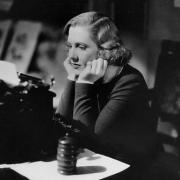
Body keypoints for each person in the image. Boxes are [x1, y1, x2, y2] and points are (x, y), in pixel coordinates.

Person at [56, 11, 160, 179]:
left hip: (133, 169)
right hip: (100, 162)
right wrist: (72, 77)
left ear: (105, 51)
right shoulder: (90, 74)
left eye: (81, 47)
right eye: (70, 46)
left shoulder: (130, 82)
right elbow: (61, 122)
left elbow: (89, 140)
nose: (71, 56)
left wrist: (84, 83)